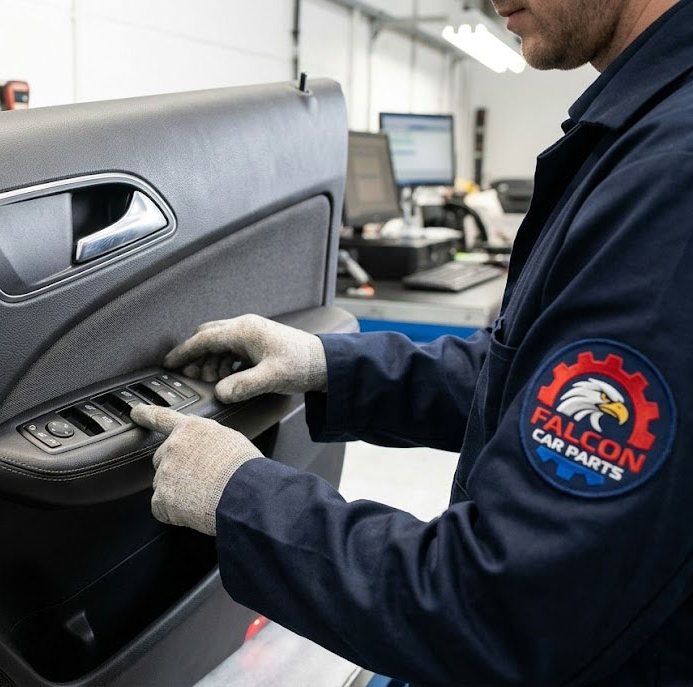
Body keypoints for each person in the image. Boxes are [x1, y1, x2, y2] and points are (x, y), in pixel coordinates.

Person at [129, 0, 693, 684]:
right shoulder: (643, 130)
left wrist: (240, 495)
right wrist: (327, 364)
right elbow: (538, 379)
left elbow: (503, 609)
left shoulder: (671, 178)